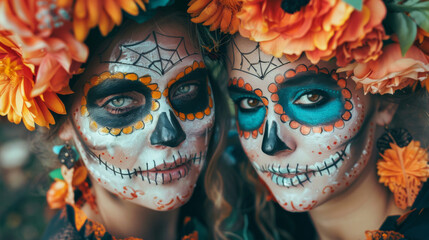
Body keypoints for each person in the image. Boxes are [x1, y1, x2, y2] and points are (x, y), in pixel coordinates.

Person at [187, 0, 429, 239]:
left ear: (386, 94)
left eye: (311, 97)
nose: (270, 145)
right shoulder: (254, 226)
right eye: (249, 104)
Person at [0, 1, 228, 239]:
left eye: (187, 89)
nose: (170, 134)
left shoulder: (243, 196)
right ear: (63, 120)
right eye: (119, 102)